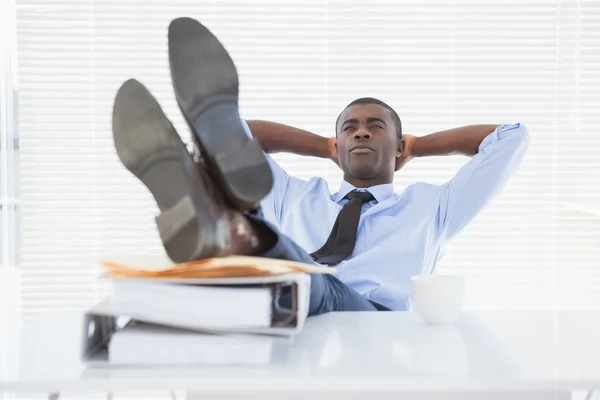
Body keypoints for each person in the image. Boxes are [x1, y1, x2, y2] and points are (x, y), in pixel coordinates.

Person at [112, 17, 530, 316]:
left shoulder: (433, 208)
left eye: (375, 127)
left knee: (308, 277)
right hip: (287, 308)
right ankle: (221, 218)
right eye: (349, 128)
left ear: (397, 143)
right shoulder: (297, 195)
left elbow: (511, 137)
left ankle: (229, 227)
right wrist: (321, 146)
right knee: (240, 182)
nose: (361, 133)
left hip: (374, 322)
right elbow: (235, 137)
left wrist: (419, 147)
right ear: (339, 143)